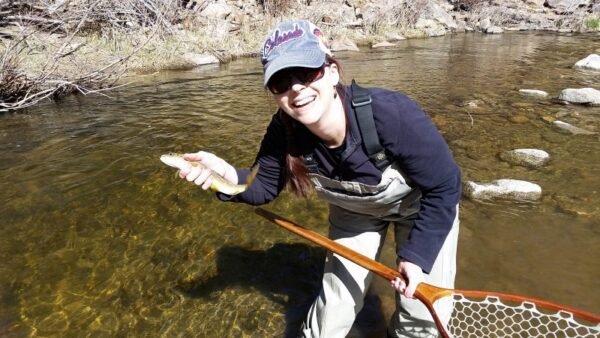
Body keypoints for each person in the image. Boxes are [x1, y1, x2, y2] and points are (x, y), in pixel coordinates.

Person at [177, 19, 461, 338]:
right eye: (281, 82)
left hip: (423, 209)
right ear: (274, 94)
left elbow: (446, 186)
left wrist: (416, 258)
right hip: (354, 215)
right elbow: (262, 187)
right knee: (332, 315)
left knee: (420, 319)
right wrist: (225, 176)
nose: (296, 88)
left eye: (307, 73)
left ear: (332, 72)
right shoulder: (283, 130)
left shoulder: (391, 113)